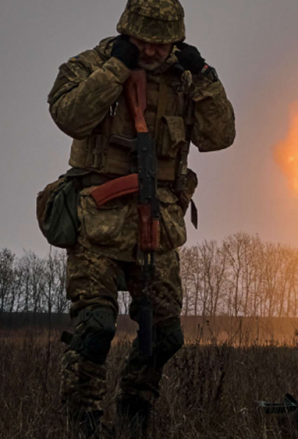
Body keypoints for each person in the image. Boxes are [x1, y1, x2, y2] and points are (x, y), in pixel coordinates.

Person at [46, 0, 235, 435]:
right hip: (98, 222)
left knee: (165, 336)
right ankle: (84, 422)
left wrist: (206, 77)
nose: (152, 51)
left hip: (159, 223)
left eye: (163, 43)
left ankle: (134, 410)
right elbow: (70, 116)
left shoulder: (186, 79)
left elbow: (219, 136)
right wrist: (115, 70)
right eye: (144, 42)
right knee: (94, 329)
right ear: (127, 30)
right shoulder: (90, 65)